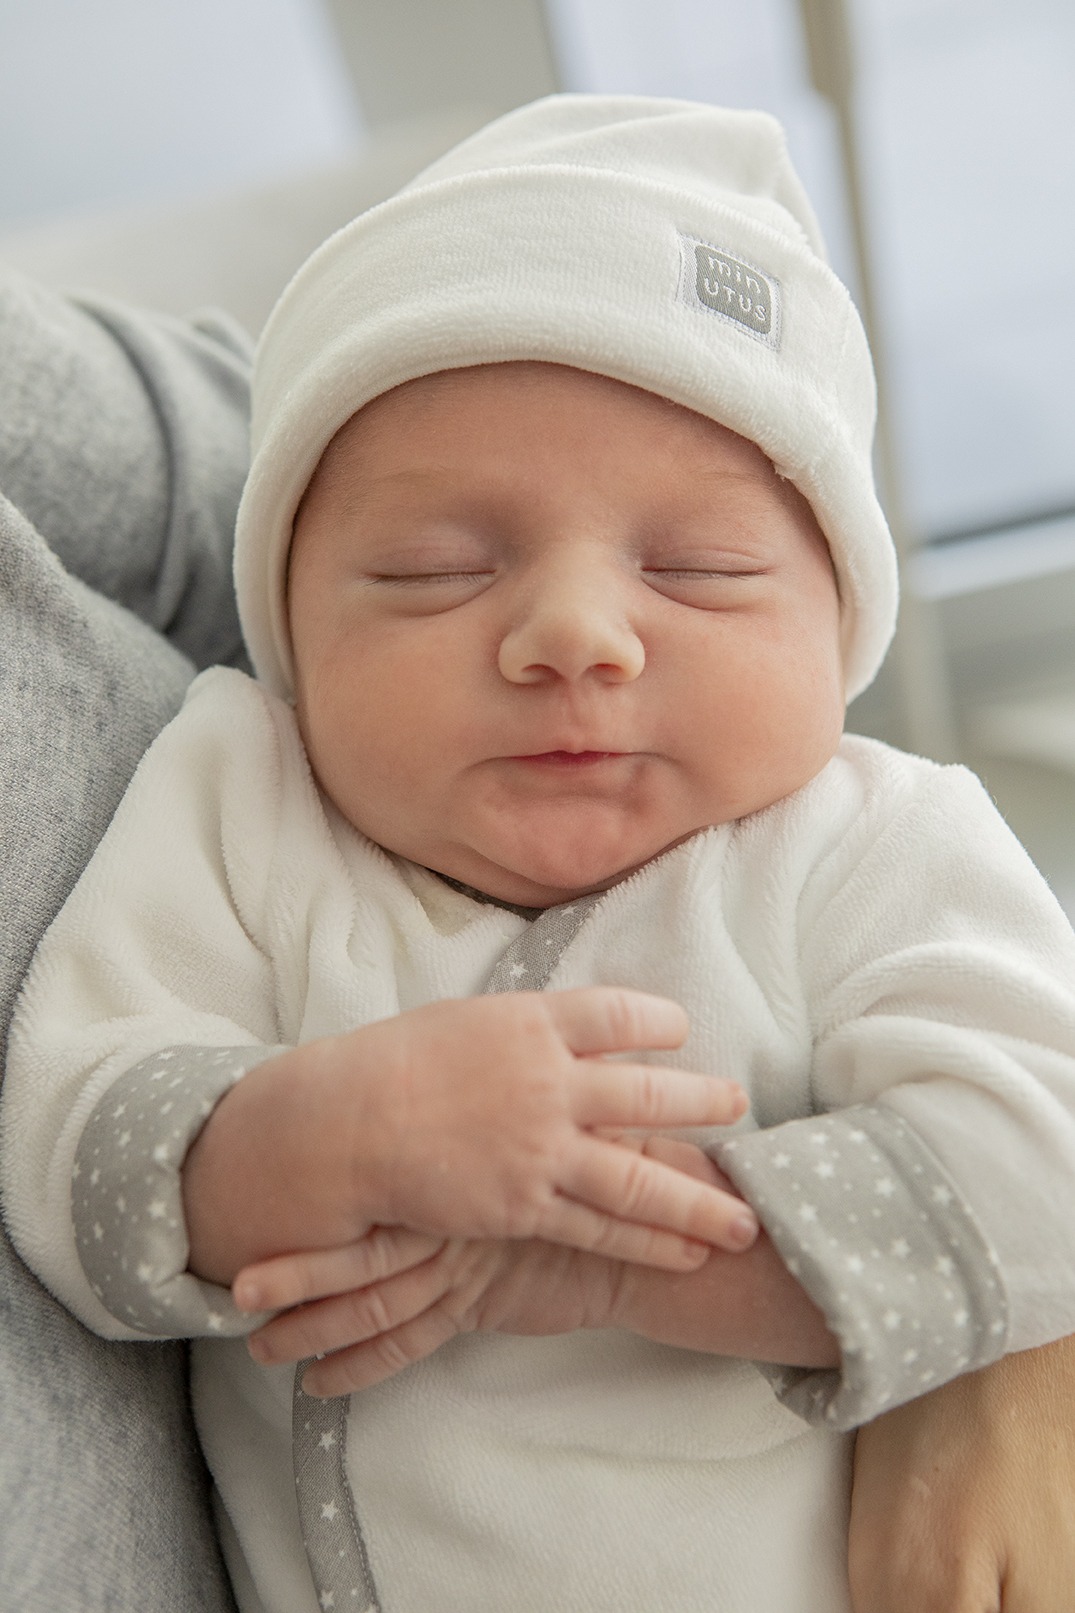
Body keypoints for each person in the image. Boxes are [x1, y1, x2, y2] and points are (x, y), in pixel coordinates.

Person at [5, 96, 1075, 1613]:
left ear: (839, 630)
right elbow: (73, 1143)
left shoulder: (867, 844)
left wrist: (629, 1252)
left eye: (697, 569)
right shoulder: (242, 794)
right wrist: (306, 1135)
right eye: (435, 570)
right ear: (290, 627)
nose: (575, 632)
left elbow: (1047, 1167)